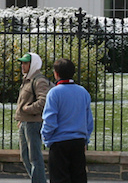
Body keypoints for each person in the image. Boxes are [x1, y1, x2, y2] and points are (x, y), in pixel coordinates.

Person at [41, 58, 94, 183]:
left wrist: (46, 138)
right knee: (78, 177)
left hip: (59, 143)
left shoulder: (54, 93)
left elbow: (50, 120)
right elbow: (88, 120)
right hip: (78, 142)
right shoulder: (83, 92)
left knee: (59, 178)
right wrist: (85, 138)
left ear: (56, 73)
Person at [15, 52, 51, 183]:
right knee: (25, 156)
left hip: (33, 123)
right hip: (25, 122)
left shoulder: (39, 80)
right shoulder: (27, 79)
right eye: (22, 63)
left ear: (33, 64)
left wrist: (27, 109)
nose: (23, 66)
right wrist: (21, 118)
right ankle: (37, 180)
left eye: (25, 63)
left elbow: (44, 101)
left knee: (34, 156)